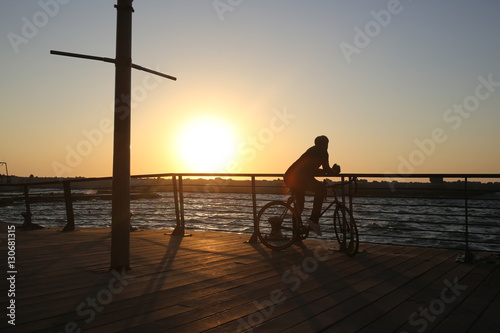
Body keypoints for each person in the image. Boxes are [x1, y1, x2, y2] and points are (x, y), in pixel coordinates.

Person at [284, 135, 340, 236]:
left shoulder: (311, 150)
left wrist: (330, 171)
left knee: (299, 206)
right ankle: (314, 220)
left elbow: (310, 169)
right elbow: (327, 170)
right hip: (300, 178)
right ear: (325, 144)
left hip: (291, 177)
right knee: (320, 189)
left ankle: (296, 234)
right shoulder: (323, 152)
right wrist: (335, 171)